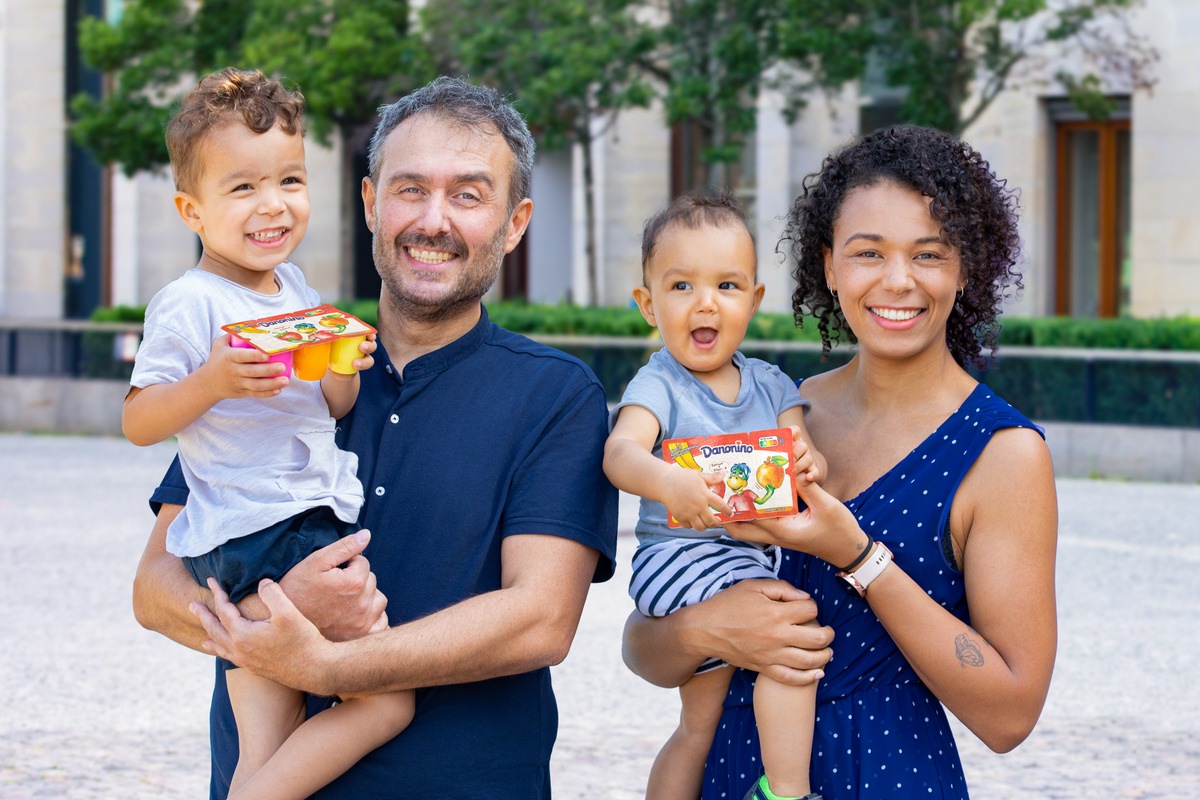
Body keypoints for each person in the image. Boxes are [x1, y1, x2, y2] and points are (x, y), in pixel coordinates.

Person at [131, 75, 619, 799]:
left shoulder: (555, 396)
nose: (433, 220)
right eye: (410, 188)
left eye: (468, 195)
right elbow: (154, 587)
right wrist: (278, 604)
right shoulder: (269, 358)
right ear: (368, 202)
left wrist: (326, 667)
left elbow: (539, 620)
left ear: (515, 222)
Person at [622, 125, 1058, 799]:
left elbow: (1009, 715)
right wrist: (704, 629)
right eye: (868, 253)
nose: (898, 280)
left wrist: (859, 556)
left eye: (929, 254)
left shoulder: (1003, 454)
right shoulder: (779, 412)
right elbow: (643, 648)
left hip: (891, 777)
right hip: (737, 771)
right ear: (828, 266)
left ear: (965, 266)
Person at [123, 67, 409, 800]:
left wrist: (346, 361)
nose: (272, 206)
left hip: (288, 520)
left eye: (290, 180)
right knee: (386, 697)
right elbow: (138, 420)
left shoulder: (298, 292)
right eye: (242, 188)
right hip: (264, 531)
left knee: (265, 738)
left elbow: (335, 406)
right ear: (192, 209)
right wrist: (212, 382)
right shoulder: (189, 304)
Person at [604, 190, 827, 800]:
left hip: (747, 557)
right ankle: (786, 792)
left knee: (696, 727)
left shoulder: (773, 385)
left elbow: (807, 458)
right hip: (678, 557)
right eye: (681, 287)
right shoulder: (660, 384)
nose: (706, 302)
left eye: (727, 286)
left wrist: (807, 460)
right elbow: (619, 453)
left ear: (754, 302)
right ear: (649, 305)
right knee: (791, 634)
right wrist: (667, 479)